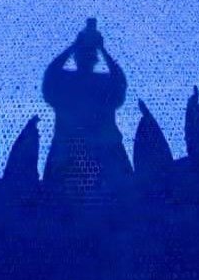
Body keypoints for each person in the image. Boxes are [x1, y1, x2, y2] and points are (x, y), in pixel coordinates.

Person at [42, 19, 132, 199]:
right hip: (104, 149)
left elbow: (50, 75)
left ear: (76, 58)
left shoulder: (66, 82)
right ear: (95, 59)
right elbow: (119, 83)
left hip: (69, 149)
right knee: (121, 197)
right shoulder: (102, 83)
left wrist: (74, 46)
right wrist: (102, 50)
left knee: (55, 200)